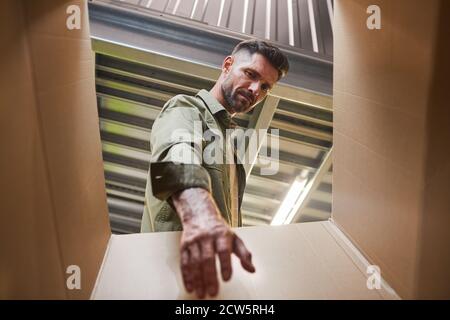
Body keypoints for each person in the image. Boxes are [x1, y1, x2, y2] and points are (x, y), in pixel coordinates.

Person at [141, 39, 289, 298]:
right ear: (228, 65)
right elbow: (176, 155)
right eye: (250, 74)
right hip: (171, 282)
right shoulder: (187, 108)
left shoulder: (231, 151)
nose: (256, 89)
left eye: (265, 87)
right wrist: (201, 215)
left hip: (215, 287)